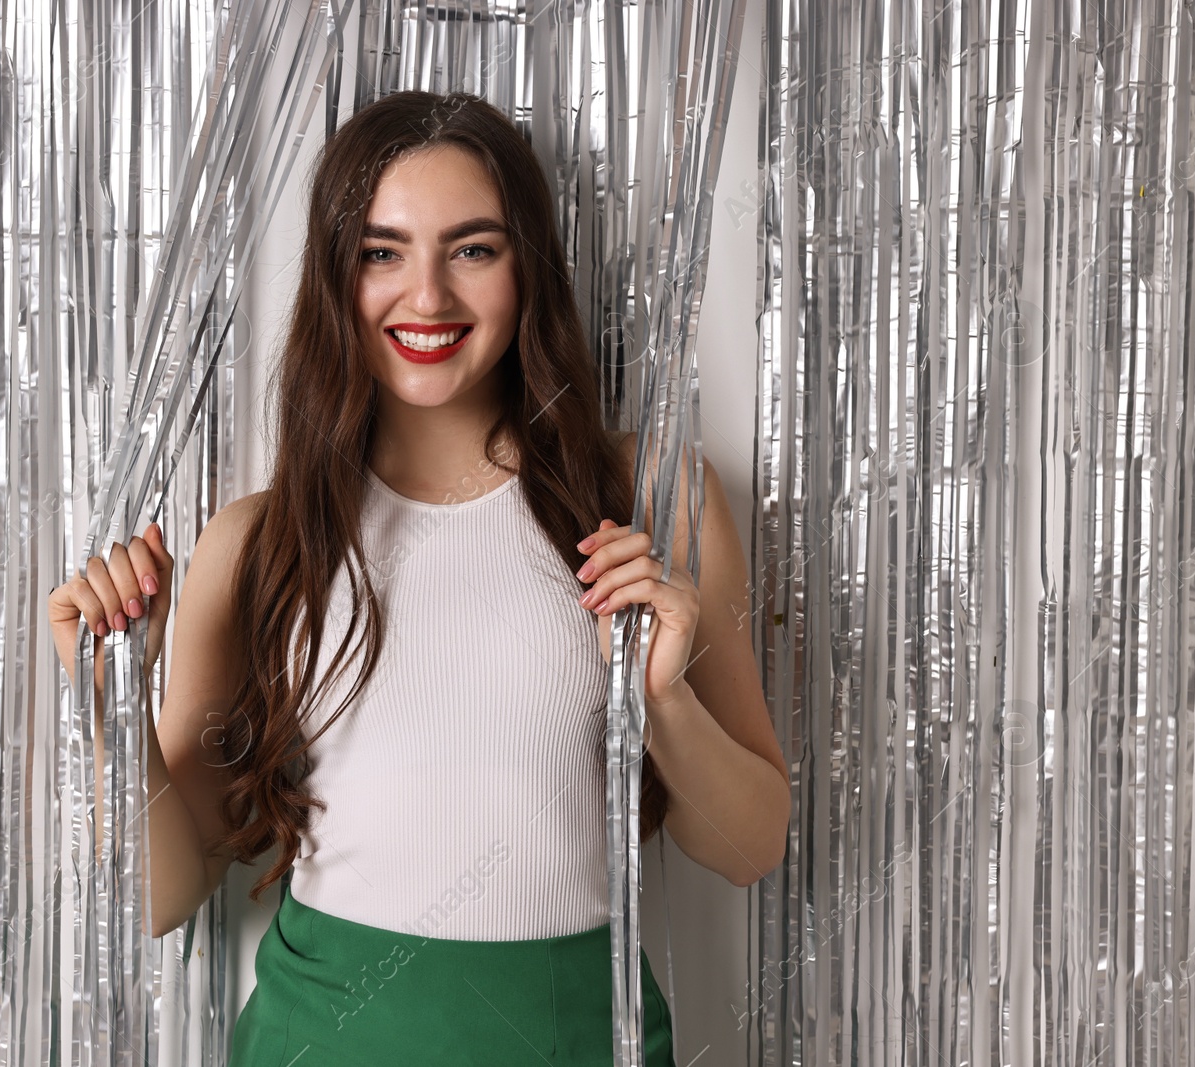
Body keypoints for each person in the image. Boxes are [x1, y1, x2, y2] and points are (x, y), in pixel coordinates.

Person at [47, 90, 790, 1066]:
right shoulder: (258, 540)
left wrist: (662, 702)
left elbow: (748, 849)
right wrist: (104, 715)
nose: (428, 296)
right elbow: (165, 896)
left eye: (473, 248)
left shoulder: (653, 499)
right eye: (381, 251)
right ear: (334, 275)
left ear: (528, 270)